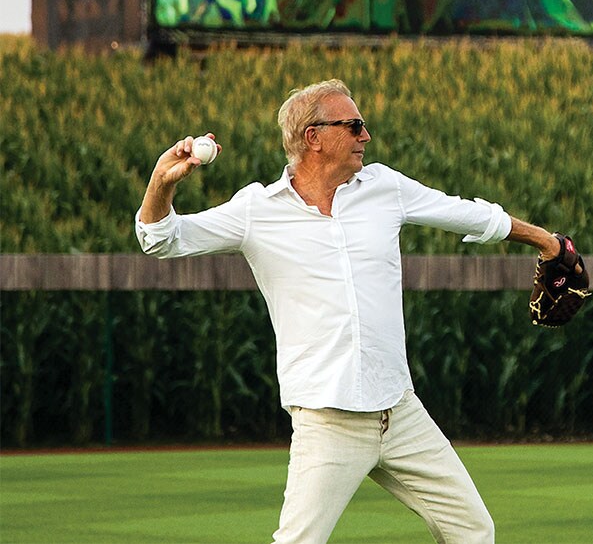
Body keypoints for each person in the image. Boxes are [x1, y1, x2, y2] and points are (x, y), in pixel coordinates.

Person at [135, 79, 566, 543]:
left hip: (399, 413)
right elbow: (159, 238)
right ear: (313, 137)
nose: (366, 136)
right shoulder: (256, 210)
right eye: (355, 125)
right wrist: (161, 184)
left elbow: (469, 214)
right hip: (327, 420)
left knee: (474, 529)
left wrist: (546, 240)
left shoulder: (385, 187)